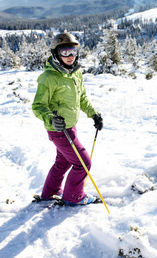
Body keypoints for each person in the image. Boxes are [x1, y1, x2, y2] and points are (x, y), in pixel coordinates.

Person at [32, 32, 103, 205]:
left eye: (73, 51)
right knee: (83, 163)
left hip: (71, 127)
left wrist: (93, 113)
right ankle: (74, 197)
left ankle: (50, 192)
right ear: (56, 53)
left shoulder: (75, 73)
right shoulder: (48, 78)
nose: (70, 56)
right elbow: (38, 106)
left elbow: (82, 97)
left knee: (63, 162)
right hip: (58, 129)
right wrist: (51, 120)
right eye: (65, 52)